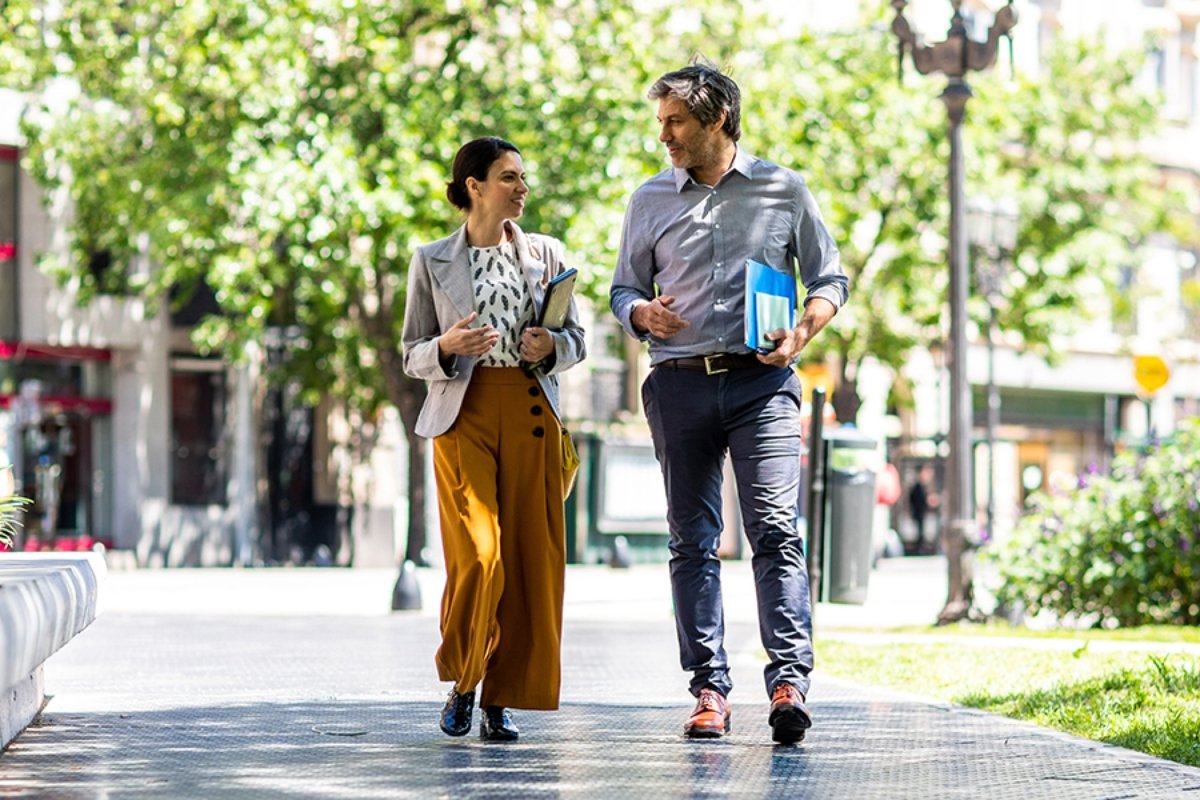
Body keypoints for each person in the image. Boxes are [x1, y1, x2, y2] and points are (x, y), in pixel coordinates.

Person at [610, 61, 848, 744]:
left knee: (775, 528)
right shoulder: (649, 200)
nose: (664, 136)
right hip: (679, 382)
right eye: (661, 122)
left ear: (716, 119)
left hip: (761, 384)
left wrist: (803, 329)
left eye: (675, 121)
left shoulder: (781, 188)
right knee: (693, 541)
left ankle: (788, 684)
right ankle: (709, 689)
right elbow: (623, 289)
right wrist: (640, 316)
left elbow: (829, 275)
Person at [402, 136, 586, 742]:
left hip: (533, 414)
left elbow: (576, 341)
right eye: (509, 177)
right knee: (480, 556)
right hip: (463, 417)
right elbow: (411, 354)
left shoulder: (547, 253)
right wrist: (445, 348)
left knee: (531, 565)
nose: (522, 187)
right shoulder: (431, 260)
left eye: (523, 177)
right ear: (474, 186)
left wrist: (552, 347)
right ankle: (464, 680)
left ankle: (499, 698)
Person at [908, 463, 939, 554]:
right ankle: (919, 548)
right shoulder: (918, 486)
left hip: (921, 512)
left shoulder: (922, 486)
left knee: (922, 531)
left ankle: (921, 547)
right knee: (920, 532)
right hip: (919, 512)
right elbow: (916, 499)